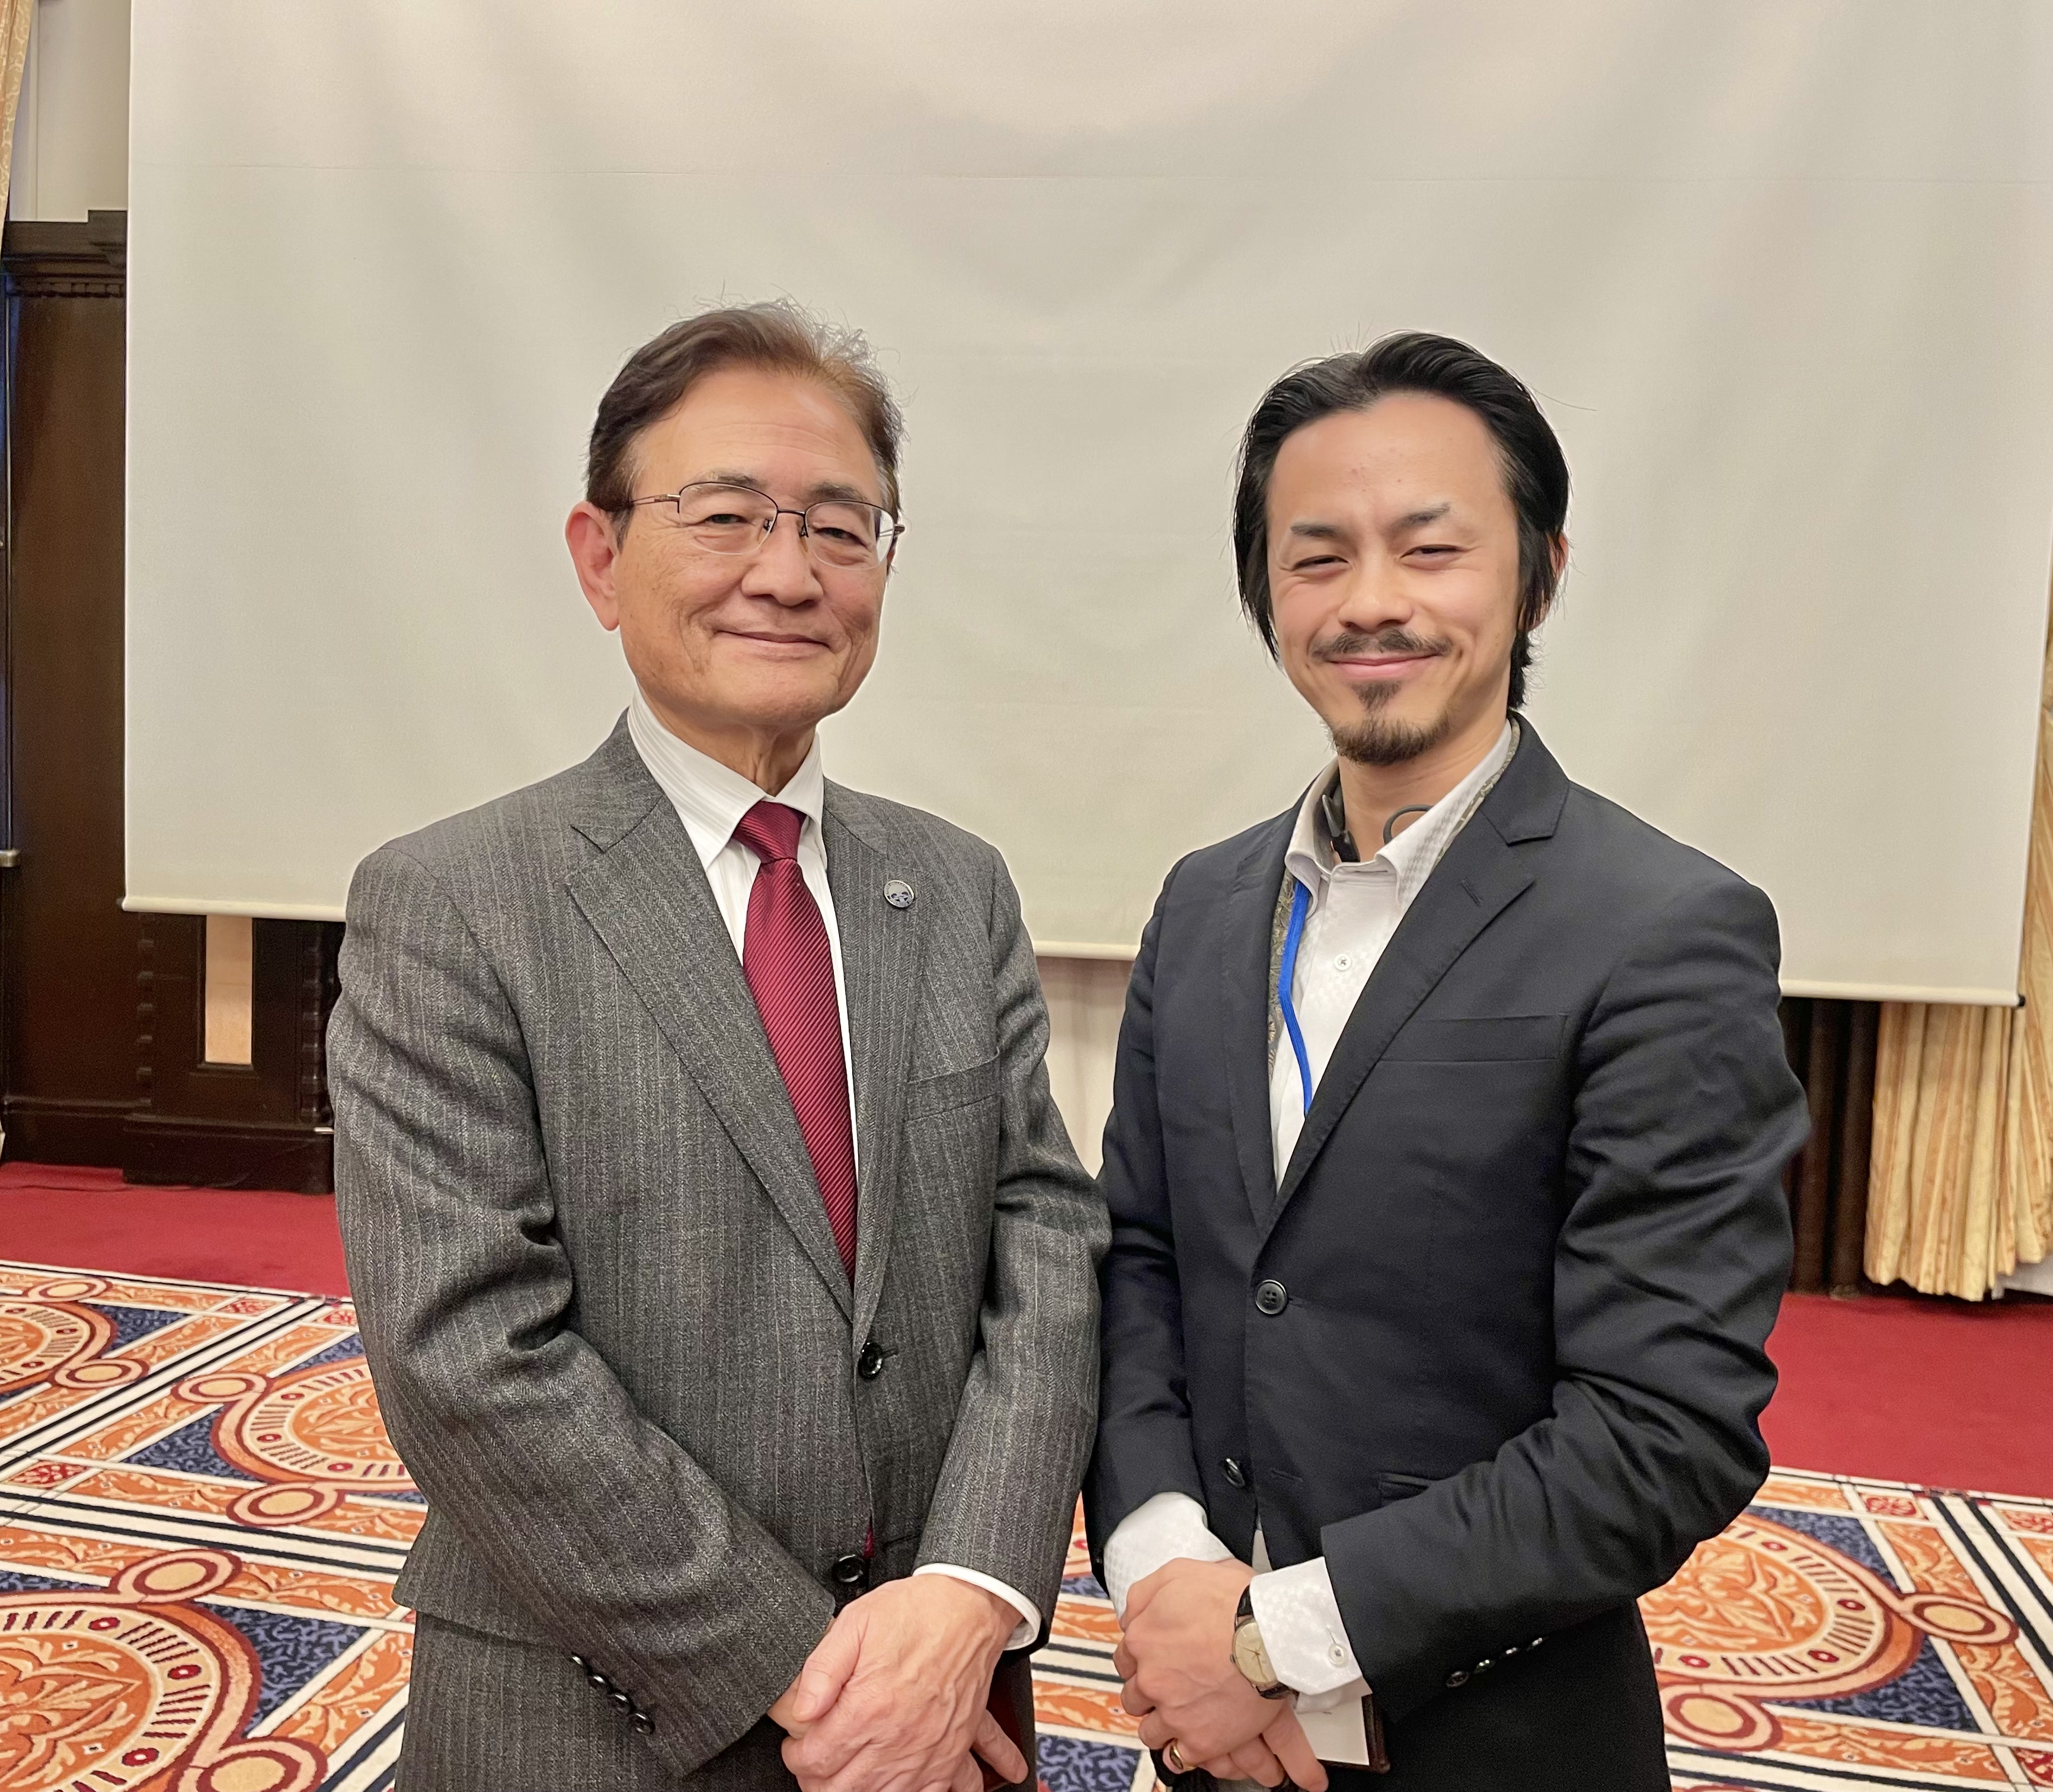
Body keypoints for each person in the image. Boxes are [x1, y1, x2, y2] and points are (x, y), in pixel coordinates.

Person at [330, 302, 1107, 1791]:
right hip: (588, 1707)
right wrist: (803, 1673)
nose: (788, 571)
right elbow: (468, 1355)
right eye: (727, 515)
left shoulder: (955, 884)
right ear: (600, 558)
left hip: (945, 1691)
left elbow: (1046, 1239)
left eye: (840, 525)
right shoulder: (451, 901)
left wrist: (972, 1596)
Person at [1084, 331, 1806, 1791]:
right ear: (1264, 593)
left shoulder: (1665, 930)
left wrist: (1271, 1642)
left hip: (1492, 1734)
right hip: (1209, 1740)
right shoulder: (1205, 903)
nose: (1372, 604)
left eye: (1431, 549)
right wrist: (1169, 1569)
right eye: (1317, 557)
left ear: (1536, 571)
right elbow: (1145, 1260)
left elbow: (1662, 1434)